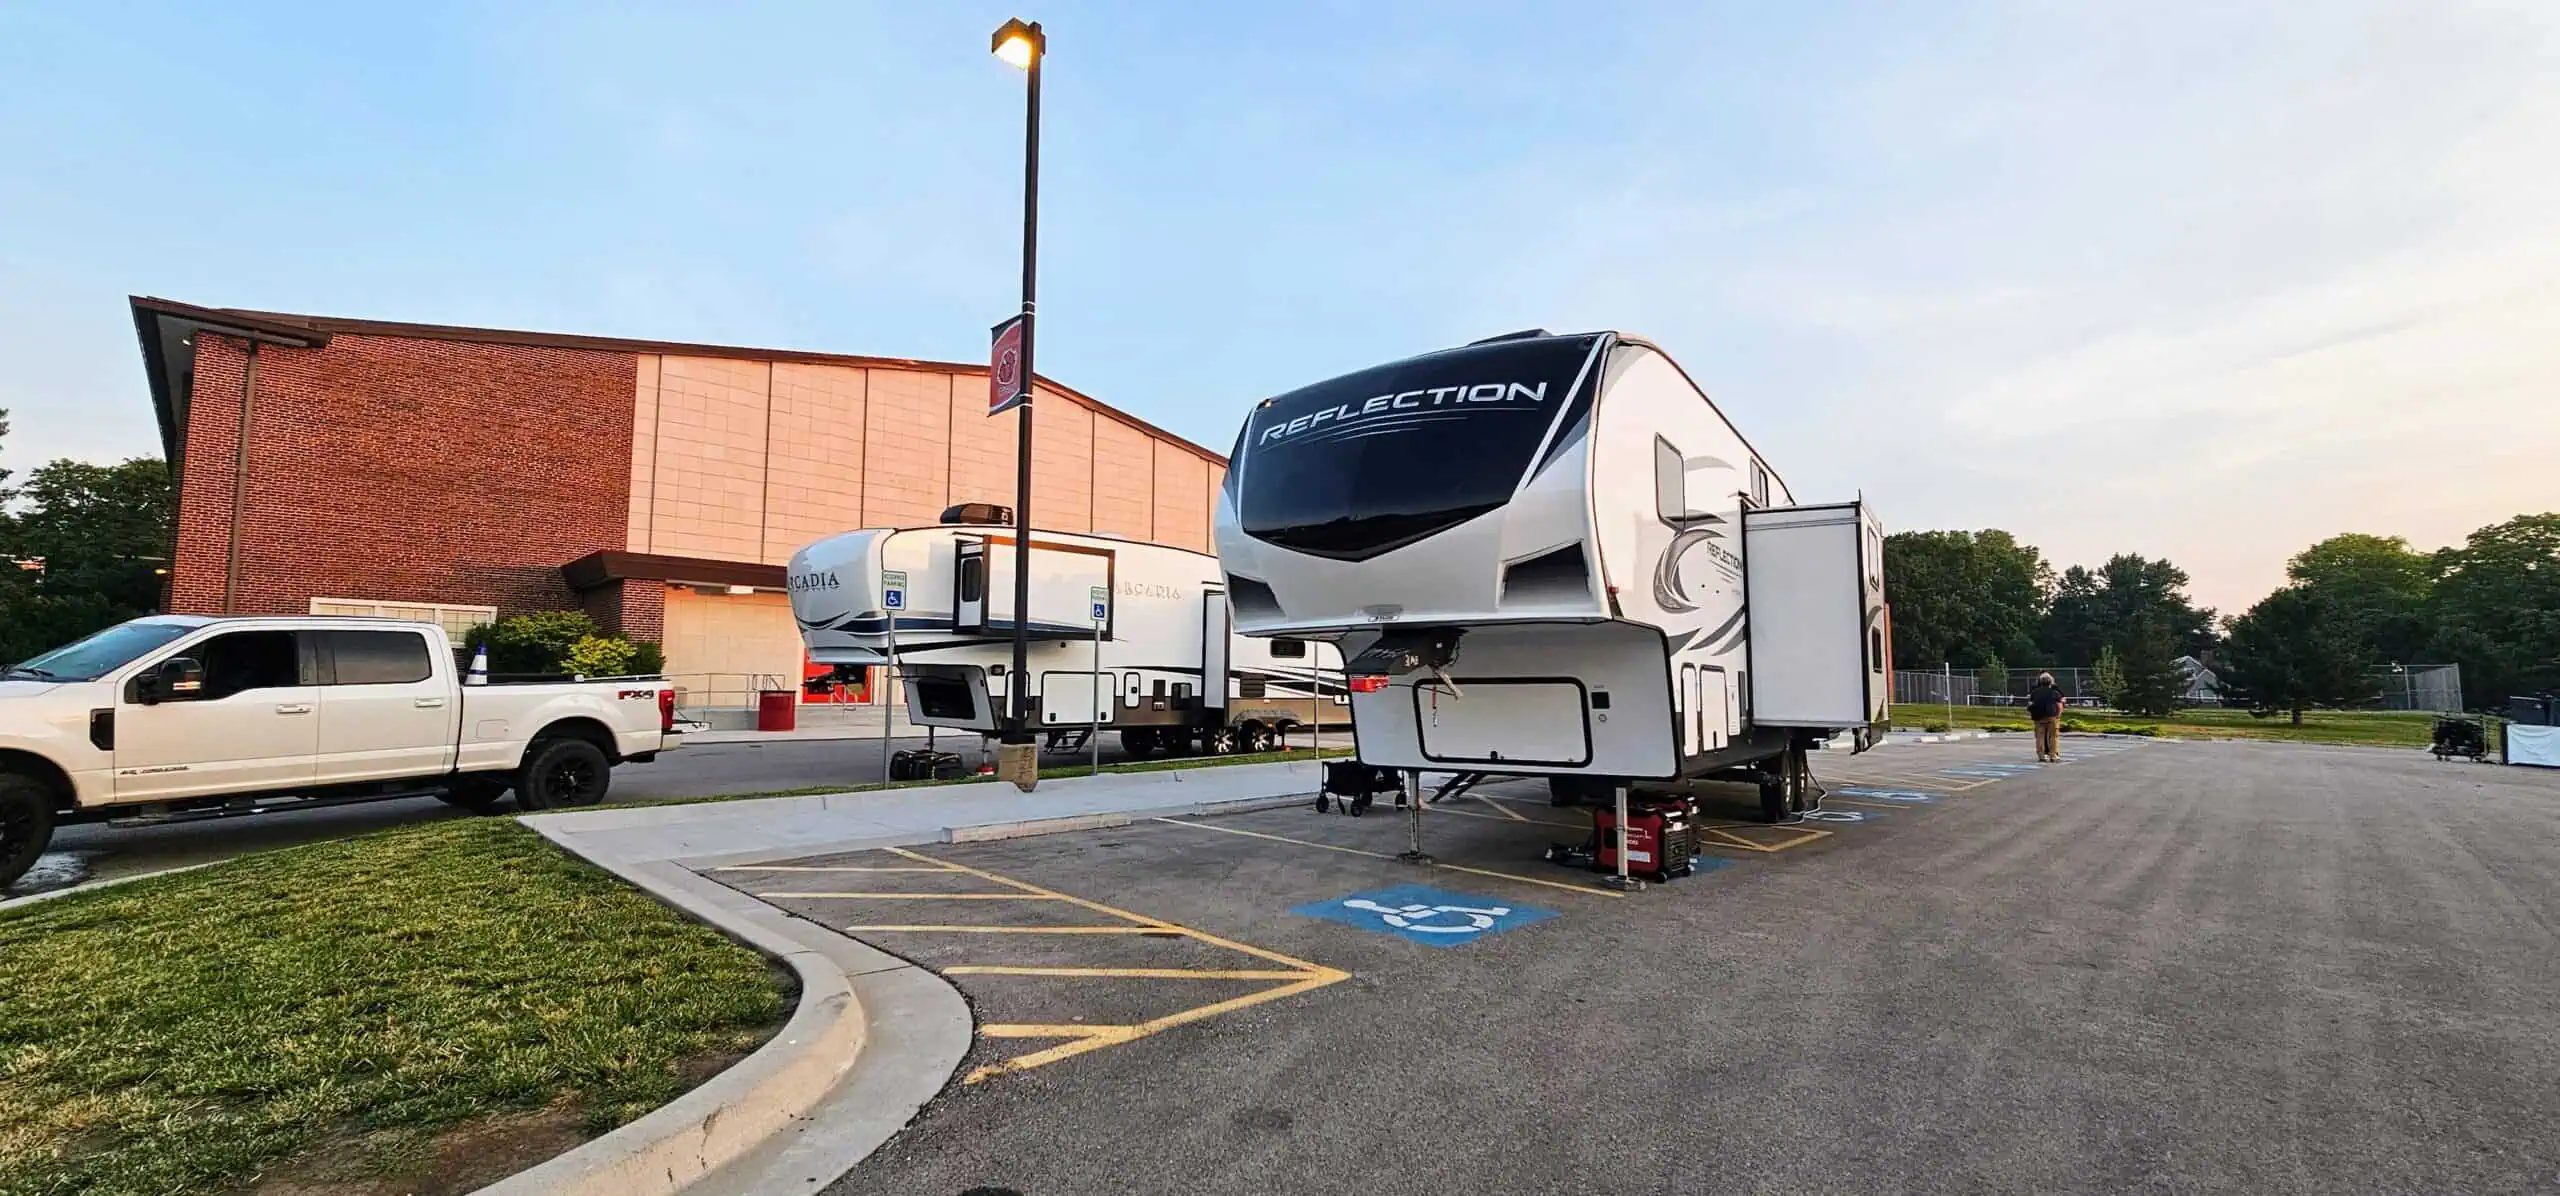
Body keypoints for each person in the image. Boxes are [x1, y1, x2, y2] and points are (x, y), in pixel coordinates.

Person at [2027, 672, 2064, 762]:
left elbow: (2031, 703)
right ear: (2051, 682)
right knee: (2053, 736)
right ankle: (2053, 755)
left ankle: (2041, 755)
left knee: (2040, 736)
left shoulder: (2035, 692)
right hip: (2052, 716)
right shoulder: (2054, 692)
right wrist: (2058, 715)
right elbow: (2059, 705)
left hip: (2038, 717)